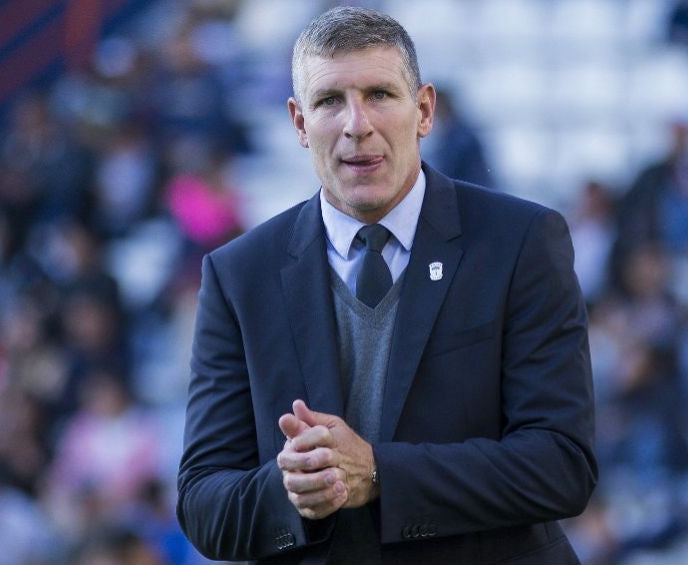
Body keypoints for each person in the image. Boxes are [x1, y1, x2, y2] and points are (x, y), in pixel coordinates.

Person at [177, 7, 596, 564]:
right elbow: (203, 504)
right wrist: (294, 489)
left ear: (423, 110)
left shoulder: (520, 242)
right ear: (299, 124)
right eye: (329, 102)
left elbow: (562, 465)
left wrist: (378, 472)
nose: (357, 124)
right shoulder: (238, 275)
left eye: (379, 94)